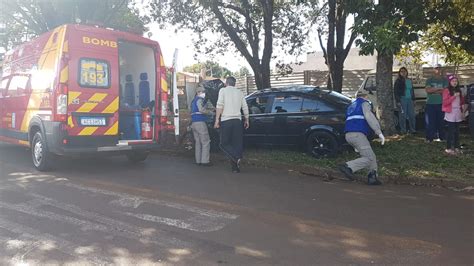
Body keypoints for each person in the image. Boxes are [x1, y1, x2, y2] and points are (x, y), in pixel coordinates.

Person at [338, 91, 385, 185]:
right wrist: (379, 132)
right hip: (358, 134)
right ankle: (348, 166)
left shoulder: (351, 106)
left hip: (349, 135)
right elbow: (369, 117)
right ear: (366, 96)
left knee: (371, 155)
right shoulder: (364, 103)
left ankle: (373, 177)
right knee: (369, 158)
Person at [214, 76, 249, 173]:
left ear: (226, 83)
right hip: (237, 121)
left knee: (223, 144)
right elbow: (245, 107)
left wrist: (217, 120)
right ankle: (235, 168)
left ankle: (236, 157)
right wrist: (247, 119)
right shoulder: (240, 92)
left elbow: (219, 105)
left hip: (226, 120)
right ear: (235, 84)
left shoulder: (223, 91)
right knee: (236, 144)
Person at [442, 75, 465, 155]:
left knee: (457, 131)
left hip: (457, 112)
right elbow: (445, 103)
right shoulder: (446, 90)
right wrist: (453, 97)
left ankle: (456, 147)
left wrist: (463, 112)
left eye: (456, 81)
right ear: (449, 82)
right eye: (453, 81)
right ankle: (448, 148)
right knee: (451, 131)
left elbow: (461, 102)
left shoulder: (459, 90)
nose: (454, 82)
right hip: (450, 113)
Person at [425, 64, 448, 142]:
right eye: (436, 68)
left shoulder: (444, 80)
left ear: (441, 70)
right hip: (430, 103)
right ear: (433, 70)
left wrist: (433, 89)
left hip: (441, 103)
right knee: (430, 122)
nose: (438, 70)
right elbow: (428, 90)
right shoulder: (429, 80)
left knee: (441, 121)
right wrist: (438, 89)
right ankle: (429, 138)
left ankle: (442, 137)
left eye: (439, 68)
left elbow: (445, 91)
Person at [191, 86, 213, 166]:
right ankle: (205, 161)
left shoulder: (193, 101)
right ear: (198, 93)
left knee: (198, 142)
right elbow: (201, 110)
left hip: (194, 123)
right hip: (200, 122)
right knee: (205, 142)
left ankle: (198, 160)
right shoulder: (199, 100)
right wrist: (210, 112)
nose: (204, 94)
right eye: (203, 92)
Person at [394, 67, 416, 134]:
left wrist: (413, 99)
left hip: (410, 99)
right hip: (402, 99)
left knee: (411, 115)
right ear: (399, 73)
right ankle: (403, 130)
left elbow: (412, 90)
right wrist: (398, 101)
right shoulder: (398, 81)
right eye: (401, 71)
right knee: (402, 115)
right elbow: (396, 92)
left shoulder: (409, 80)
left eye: (404, 71)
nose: (403, 73)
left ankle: (412, 129)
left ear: (407, 72)